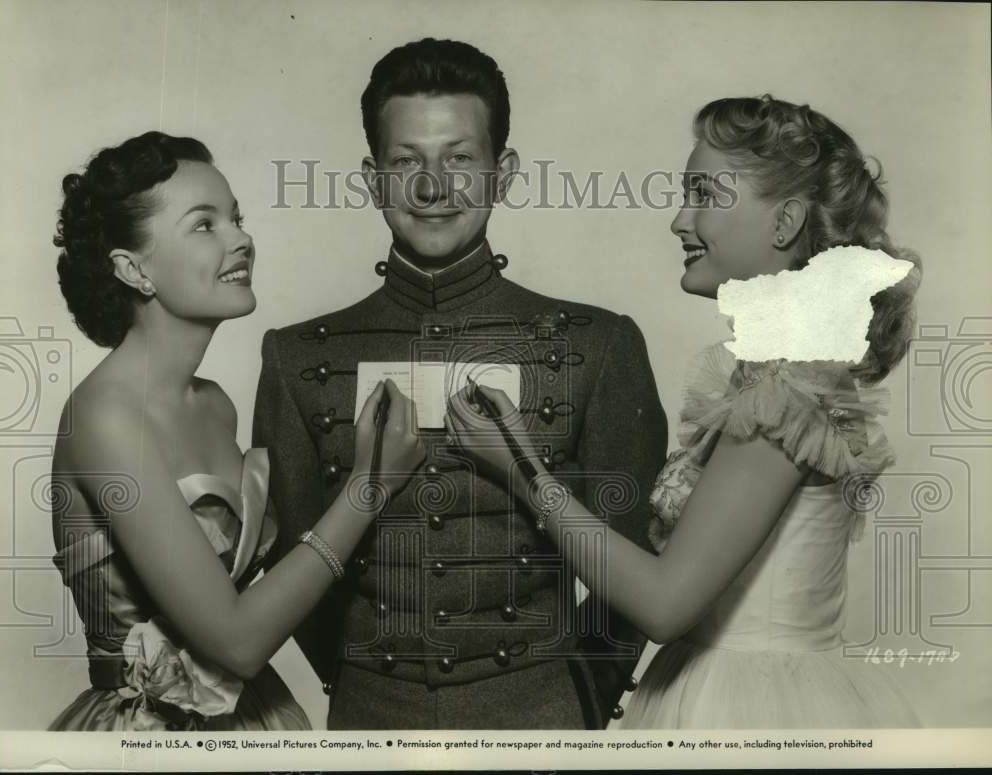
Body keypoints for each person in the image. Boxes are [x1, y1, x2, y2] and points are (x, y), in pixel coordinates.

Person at [446, 95, 922, 728]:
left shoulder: (790, 386)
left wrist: (524, 472)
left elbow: (666, 605)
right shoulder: (781, 369)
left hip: (751, 712)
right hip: (722, 689)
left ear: (783, 224)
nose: (679, 219)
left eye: (704, 194)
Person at [253, 38, 667, 729]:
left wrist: (578, 699)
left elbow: (638, 566)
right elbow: (299, 574)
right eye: (405, 161)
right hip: (368, 720)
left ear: (501, 173)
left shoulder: (599, 344)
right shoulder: (295, 357)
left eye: (460, 159)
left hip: (544, 716)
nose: (432, 186)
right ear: (373, 178)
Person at [48, 131, 424, 731]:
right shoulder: (106, 418)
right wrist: (368, 489)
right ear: (133, 268)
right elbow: (236, 642)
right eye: (204, 225)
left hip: (254, 719)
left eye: (236, 219)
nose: (241, 238)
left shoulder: (216, 405)